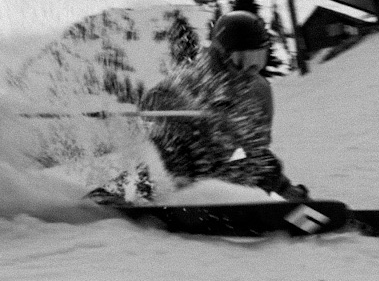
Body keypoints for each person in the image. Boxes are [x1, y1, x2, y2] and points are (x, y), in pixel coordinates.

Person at [88, 11, 309, 204]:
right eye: (242, 60)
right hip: (185, 159)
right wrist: (187, 114)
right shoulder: (196, 76)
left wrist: (241, 150)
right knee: (174, 150)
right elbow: (153, 100)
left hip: (226, 161)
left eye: (257, 60)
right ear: (222, 55)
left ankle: (290, 199)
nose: (250, 70)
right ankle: (119, 194)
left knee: (261, 162)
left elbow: (257, 146)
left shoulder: (259, 91)